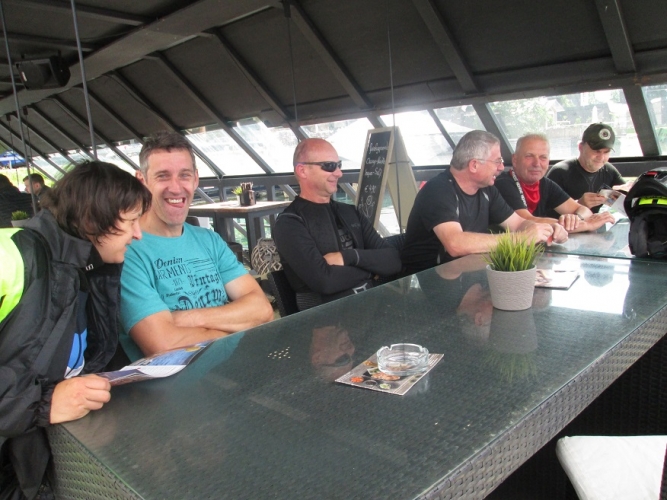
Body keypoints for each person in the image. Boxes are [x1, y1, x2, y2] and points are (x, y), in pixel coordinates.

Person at [0, 161, 151, 499]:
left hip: (45, 465)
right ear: (92, 220)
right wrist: (41, 403)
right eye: (130, 221)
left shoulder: (88, 269)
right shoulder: (10, 258)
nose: (138, 234)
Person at [119, 132, 273, 362]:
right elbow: (163, 345)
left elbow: (262, 309)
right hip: (177, 381)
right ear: (142, 181)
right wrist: (235, 325)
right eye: (163, 176)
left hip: (234, 369)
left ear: (196, 179)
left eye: (184, 175)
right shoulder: (127, 250)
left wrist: (183, 319)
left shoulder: (209, 240)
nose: (176, 188)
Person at [401, 130, 568, 275]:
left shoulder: (487, 190)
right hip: (429, 284)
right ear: (474, 165)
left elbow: (518, 223)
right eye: (497, 161)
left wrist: (547, 229)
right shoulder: (438, 190)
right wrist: (522, 238)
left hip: (468, 275)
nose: (501, 167)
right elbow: (455, 244)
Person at [273, 138, 402, 310]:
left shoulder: (350, 212)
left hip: (370, 307)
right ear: (302, 171)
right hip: (326, 317)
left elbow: (393, 260)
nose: (339, 173)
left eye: (338, 165)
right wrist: (373, 269)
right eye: (329, 166)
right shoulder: (290, 223)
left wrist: (348, 257)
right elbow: (325, 281)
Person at [494, 133, 615, 232]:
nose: (536, 163)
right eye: (529, 156)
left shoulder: (545, 184)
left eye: (543, 157)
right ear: (515, 160)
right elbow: (526, 222)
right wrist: (586, 225)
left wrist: (575, 219)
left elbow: (584, 210)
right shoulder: (503, 183)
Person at [546, 123, 626, 213]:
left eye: (606, 152)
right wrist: (578, 206)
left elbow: (629, 206)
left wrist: (632, 191)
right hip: (566, 222)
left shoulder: (609, 171)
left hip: (596, 221)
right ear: (580, 147)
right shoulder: (560, 172)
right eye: (596, 151)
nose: (601, 157)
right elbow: (543, 213)